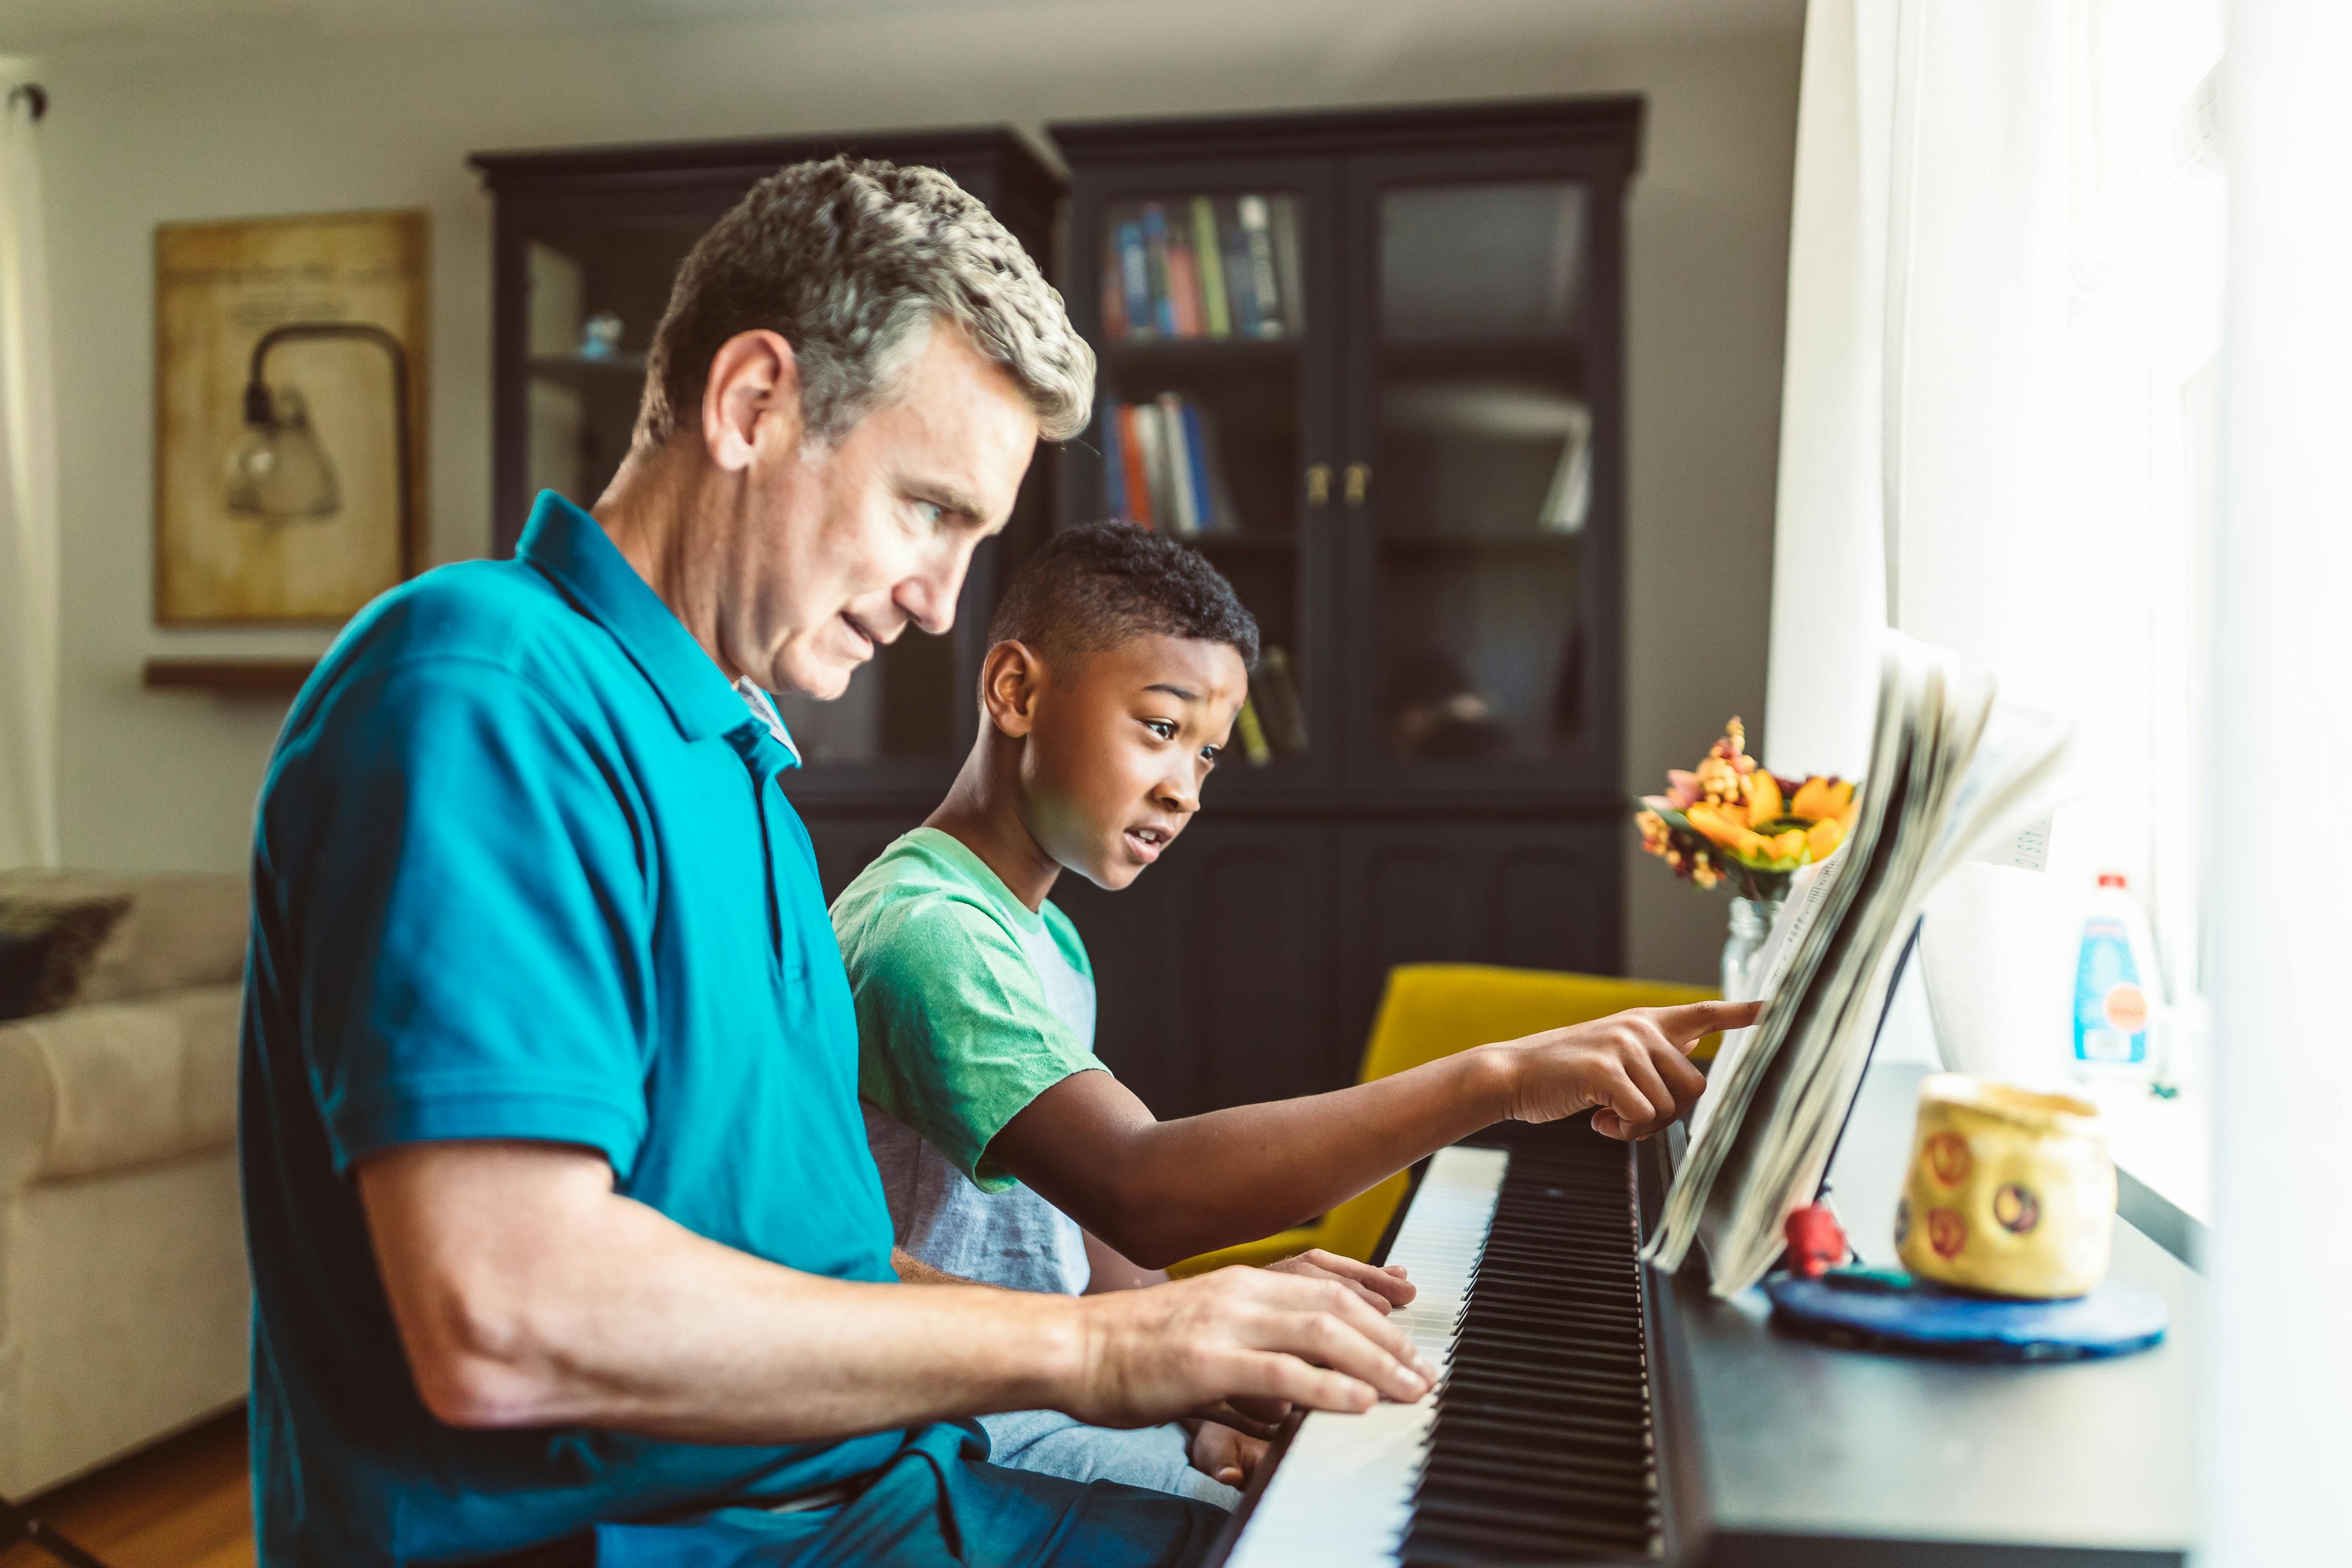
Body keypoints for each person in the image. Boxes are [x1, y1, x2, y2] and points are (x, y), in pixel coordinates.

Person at [237, 157, 1435, 1568]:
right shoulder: (482, 687)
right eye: (928, 510)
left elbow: (811, 1259)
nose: (939, 607)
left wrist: (1176, 1342)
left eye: (973, 539)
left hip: (870, 1499)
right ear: (753, 405)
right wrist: (1095, 1351)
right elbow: (511, 1320)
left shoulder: (735, 766)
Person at [834, 523, 1760, 1508]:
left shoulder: (1043, 938)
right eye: (1159, 728)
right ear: (1016, 691)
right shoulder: (930, 935)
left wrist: (1201, 1385)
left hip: (1049, 1410)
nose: (1185, 789)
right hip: (955, 1446)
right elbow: (1140, 1187)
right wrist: (1498, 1078)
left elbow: (1104, 1245)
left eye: (1208, 757)